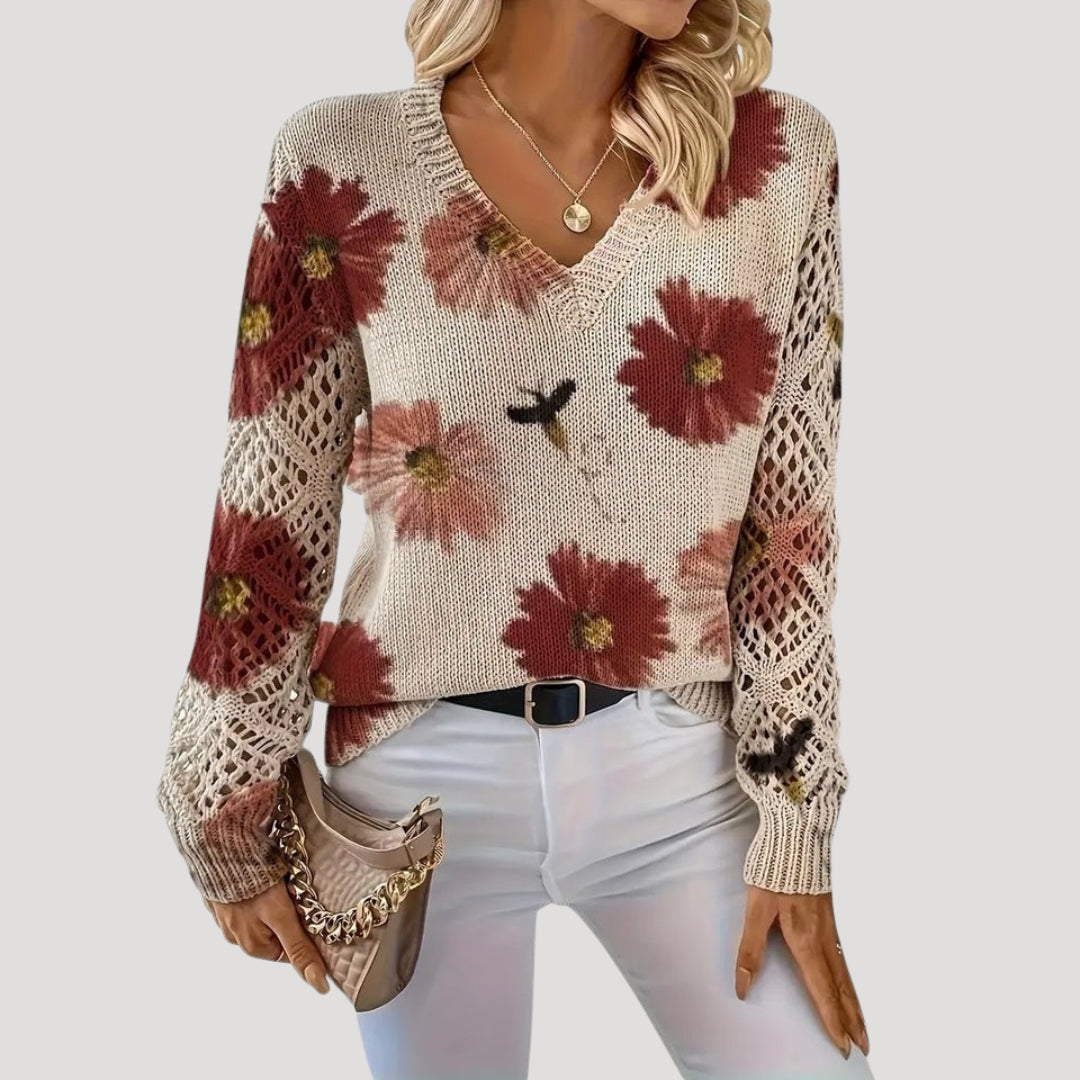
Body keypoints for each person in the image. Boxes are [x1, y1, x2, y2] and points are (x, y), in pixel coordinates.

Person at [156, 1, 874, 1077]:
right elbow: (270, 505)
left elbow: (791, 536)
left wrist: (798, 818)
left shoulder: (774, 161)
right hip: (417, 801)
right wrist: (222, 793)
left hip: (685, 779)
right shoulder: (339, 162)